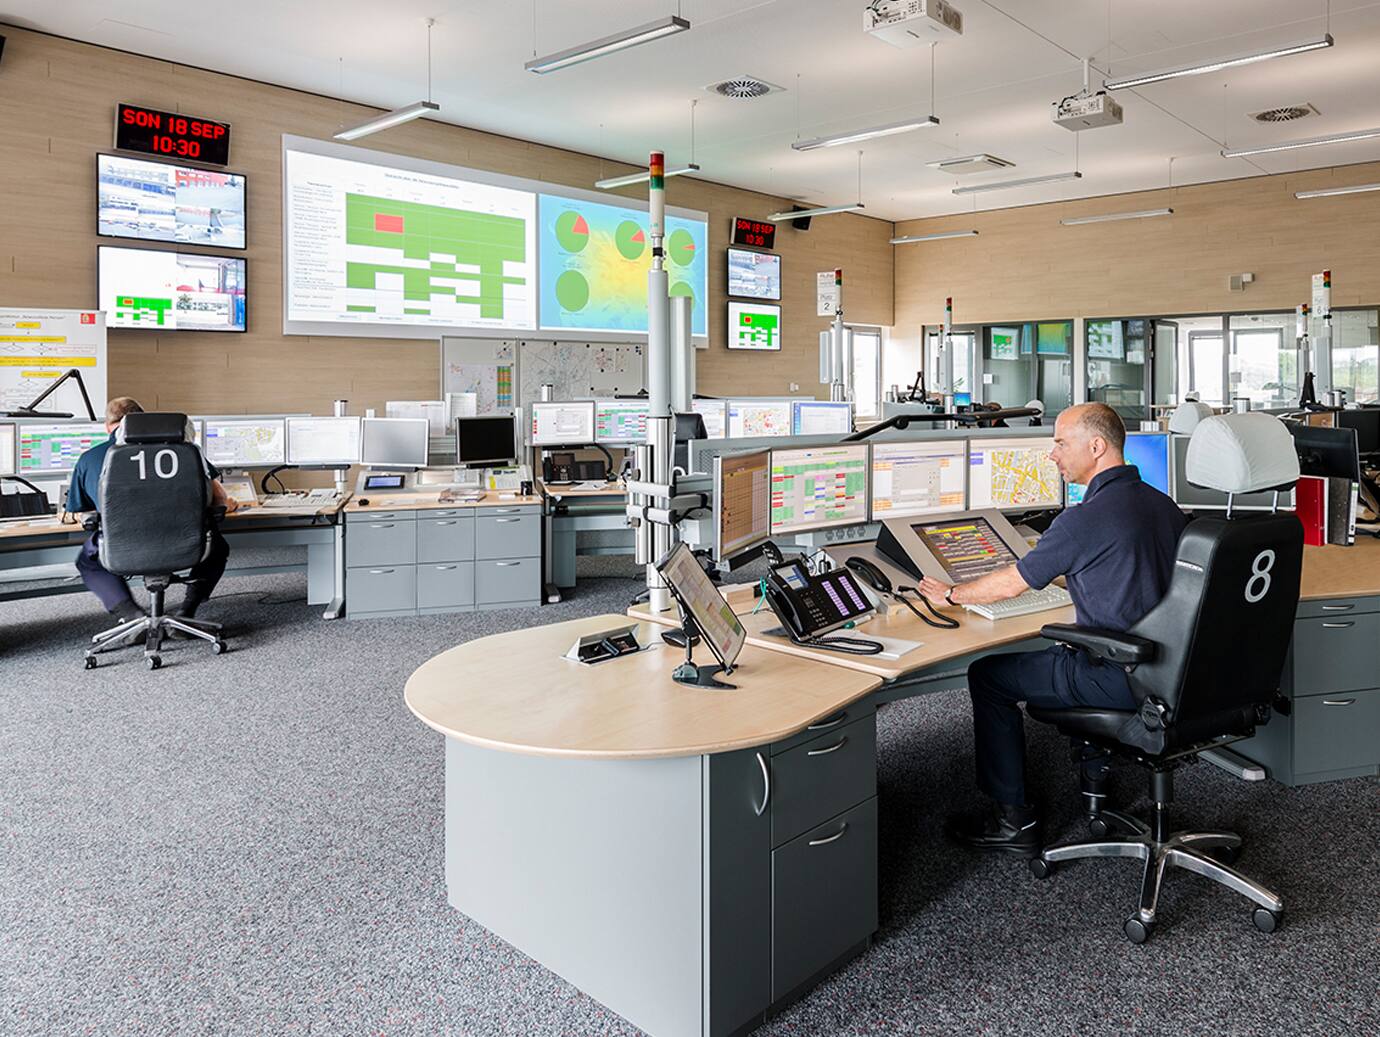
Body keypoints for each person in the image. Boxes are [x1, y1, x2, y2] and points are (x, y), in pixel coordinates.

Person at [918, 403, 1188, 855]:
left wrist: (950, 595)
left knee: (988, 676)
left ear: (1097, 447)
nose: (1052, 455)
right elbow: (1127, 566)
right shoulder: (1162, 505)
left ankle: (1013, 822)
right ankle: (1096, 784)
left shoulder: (1082, 519)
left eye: (1061, 443)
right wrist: (1067, 570)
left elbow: (1010, 584)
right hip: (1172, 670)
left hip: (1119, 677)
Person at [67, 397, 238, 626]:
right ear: (142, 419)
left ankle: (128, 614)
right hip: (184, 539)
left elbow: (81, 511)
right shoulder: (186, 452)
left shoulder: (89, 459)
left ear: (108, 426)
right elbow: (218, 498)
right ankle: (187, 610)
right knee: (216, 547)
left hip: (122, 543)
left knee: (88, 560)